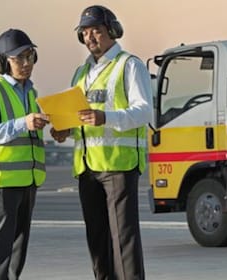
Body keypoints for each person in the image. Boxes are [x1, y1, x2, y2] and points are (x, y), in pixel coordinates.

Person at [50, 5, 152, 280]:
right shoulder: (81, 73)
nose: (90, 37)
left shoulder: (129, 66)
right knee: (96, 239)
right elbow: (80, 117)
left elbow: (144, 112)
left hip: (118, 166)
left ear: (112, 30)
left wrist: (105, 117)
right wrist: (65, 130)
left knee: (123, 241)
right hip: (87, 168)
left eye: (96, 30)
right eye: (84, 32)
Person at [0, 28, 48, 280]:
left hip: (26, 183)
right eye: (19, 58)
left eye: (30, 56)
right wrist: (24, 123)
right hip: (0, 184)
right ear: (3, 62)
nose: (26, 63)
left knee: (16, 257)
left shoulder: (31, 94)